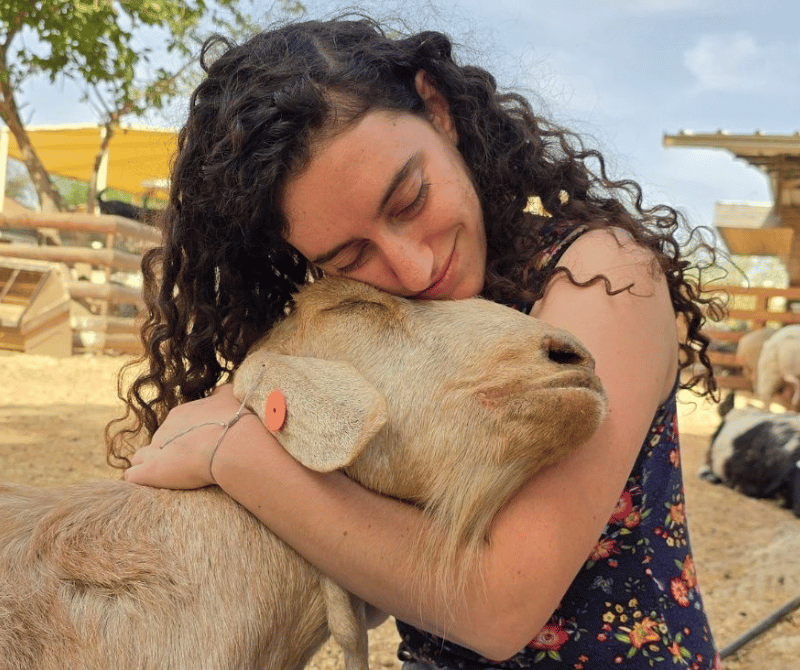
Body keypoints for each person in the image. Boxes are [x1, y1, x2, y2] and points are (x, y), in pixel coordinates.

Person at [114, 16, 724, 669]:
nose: (413, 269)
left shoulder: (601, 276)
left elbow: (501, 607)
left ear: (438, 110)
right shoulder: (376, 318)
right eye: (349, 255)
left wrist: (236, 454)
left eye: (409, 199)